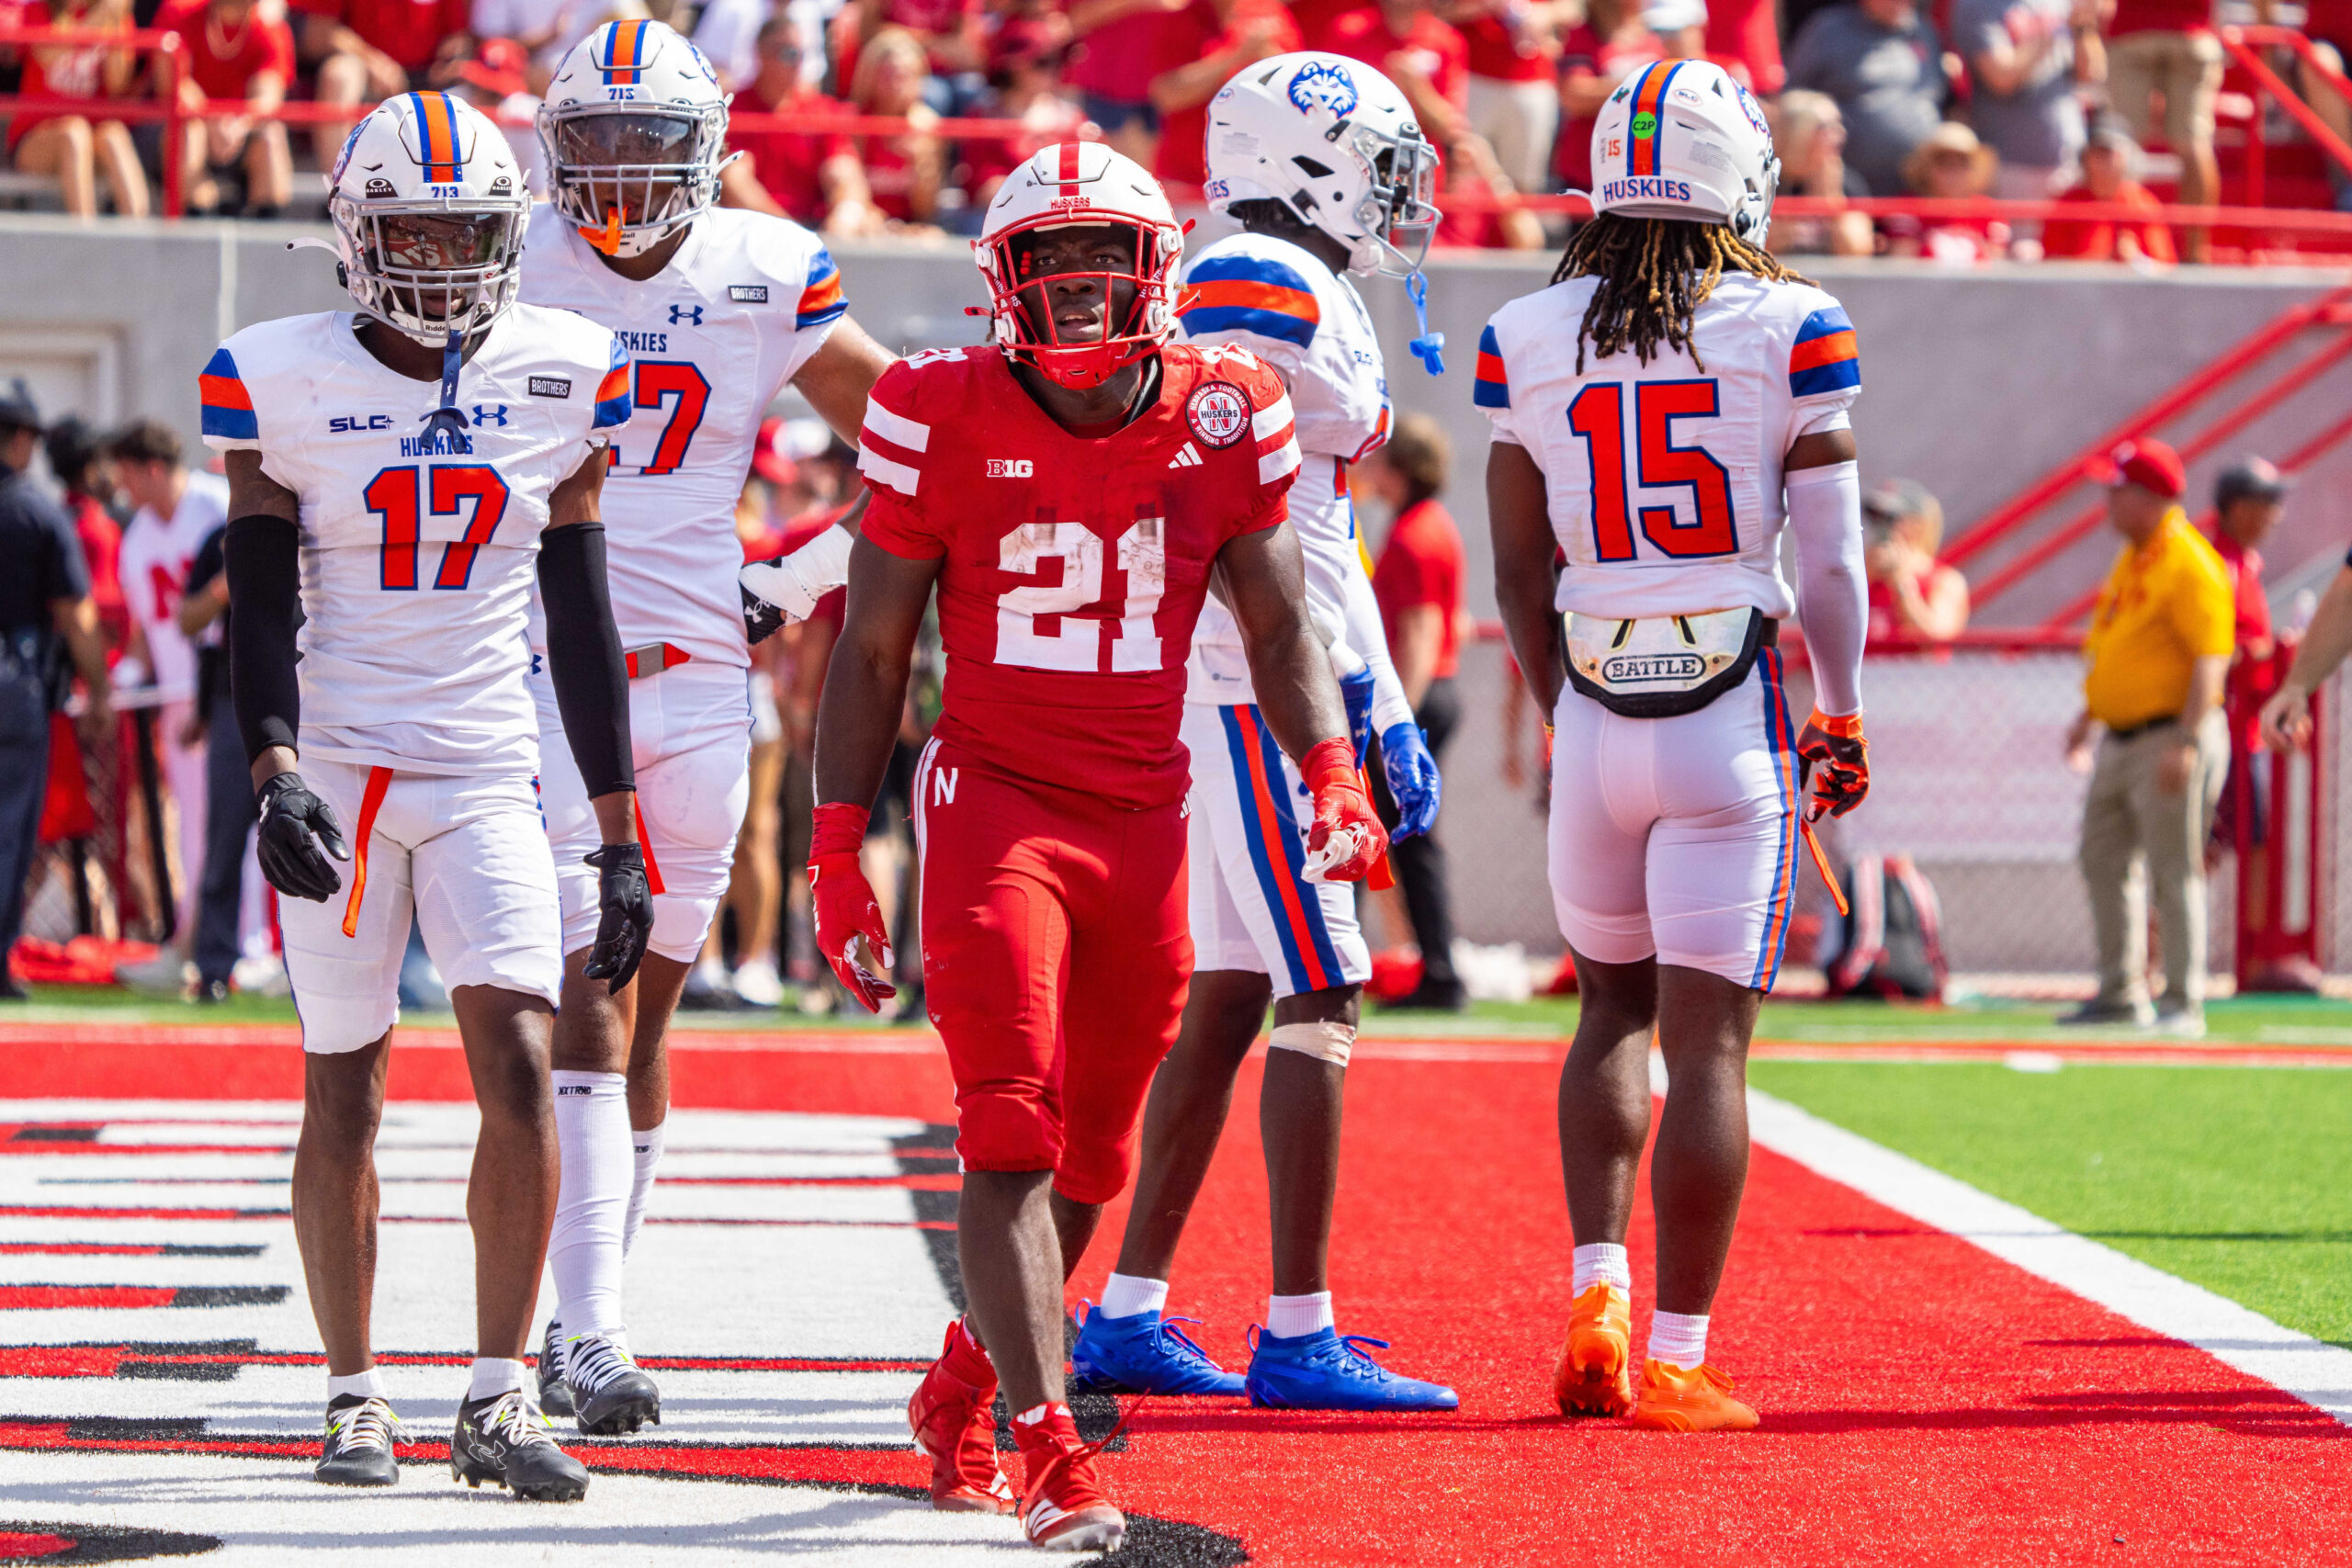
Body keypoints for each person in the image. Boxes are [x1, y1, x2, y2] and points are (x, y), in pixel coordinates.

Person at [812, 142, 1382, 1549]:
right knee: (1008, 1117)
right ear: (1004, 284)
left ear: (1158, 273)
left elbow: (1277, 616)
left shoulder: (1228, 404)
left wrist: (1329, 764)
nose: (1075, 298)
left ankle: (964, 1383)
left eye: (1100, 267)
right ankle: (1052, 1441)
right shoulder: (929, 404)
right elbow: (874, 643)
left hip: (1147, 810)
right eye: (1049, 270)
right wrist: (836, 847)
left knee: (1096, 1160)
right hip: (999, 798)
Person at [207, 89, 650, 1497]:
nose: (450, 256)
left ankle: (497, 1389)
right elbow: (258, 590)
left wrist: (621, 831)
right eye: (419, 228)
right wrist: (272, 766)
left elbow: (582, 610)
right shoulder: (275, 371)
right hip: (337, 763)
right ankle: (350, 1391)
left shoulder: (566, 364)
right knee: (347, 1087)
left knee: (520, 1060)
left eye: (472, 228)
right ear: (354, 233)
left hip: (481, 764)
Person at [518, 18, 896, 1433]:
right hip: (546, 674)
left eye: (645, 138)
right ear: (554, 149)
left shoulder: (765, 263)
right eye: (593, 139)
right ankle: (592, 1333)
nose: (617, 170)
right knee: (592, 986)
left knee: (652, 1006)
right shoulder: (506, 257)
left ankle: (584, 1309)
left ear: (707, 148)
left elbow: (917, 444)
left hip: (697, 681)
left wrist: (796, 575)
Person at [1483, 60, 1871, 1431]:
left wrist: (1560, 703)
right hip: (1735, 707)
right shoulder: (1791, 319)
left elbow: (1518, 569)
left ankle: (1594, 1284)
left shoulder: (1525, 330)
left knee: (1609, 1010)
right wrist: (1843, 705)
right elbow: (1830, 562)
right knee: (1710, 1048)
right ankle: (1679, 1352)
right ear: (1744, 176)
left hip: (1594, 703)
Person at [1066, 57, 1453, 1414]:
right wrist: (1354, 704)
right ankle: (1299, 1328)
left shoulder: (1283, 277)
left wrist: (1381, 695)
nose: (1401, 198)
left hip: (1257, 671)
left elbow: (1317, 532)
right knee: (1325, 981)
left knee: (1233, 989)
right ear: (1311, 158)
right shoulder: (1257, 278)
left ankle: (1126, 1308)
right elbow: (1253, 525)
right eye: (1384, 165)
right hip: (1249, 681)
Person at [2060, 437, 2231, 1035]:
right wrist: (2089, 714)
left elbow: (2212, 658)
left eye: (2117, 489)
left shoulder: (2188, 560)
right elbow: (2115, 645)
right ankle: (2120, 993)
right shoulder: (2138, 555)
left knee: (2173, 867)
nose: (2107, 501)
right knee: (2101, 856)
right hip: (2121, 737)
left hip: (2169, 735)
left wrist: (2186, 740)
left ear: (2147, 496)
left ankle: (2184, 1000)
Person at [1, 382, 112, 1000]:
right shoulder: (35, 511)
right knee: (10, 824)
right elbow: (77, 614)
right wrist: (97, 691)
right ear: (20, 440)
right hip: (15, 681)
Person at [111, 419, 230, 979]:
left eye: (128, 475)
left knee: (240, 822)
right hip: (180, 697)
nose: (122, 489)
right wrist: (129, 674)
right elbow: (146, 622)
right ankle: (199, 938)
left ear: (153, 467)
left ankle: (246, 946)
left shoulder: (215, 505)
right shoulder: (138, 536)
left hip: (229, 688)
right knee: (195, 826)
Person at [1364, 412, 1468, 1010]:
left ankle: (1440, 973)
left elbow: (1425, 632)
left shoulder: (1414, 534)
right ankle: (1435, 968)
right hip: (1429, 695)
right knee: (1406, 837)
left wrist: (1394, 719)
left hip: (1420, 698)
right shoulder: (1430, 525)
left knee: (1410, 837)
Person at [727, 18, 879, 233]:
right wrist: (790, 232)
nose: (796, 62)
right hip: (752, 233)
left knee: (865, 219)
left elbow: (844, 173)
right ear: (761, 53)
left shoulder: (822, 109)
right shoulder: (735, 111)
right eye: (788, 54)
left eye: (800, 54)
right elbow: (736, 182)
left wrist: (844, 218)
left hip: (814, 231)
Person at [1784, 0, 1950, 197]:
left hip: (1919, 193)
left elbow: (1940, 96)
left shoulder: (1924, 32)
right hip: (1845, 192)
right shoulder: (1829, 29)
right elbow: (1794, 99)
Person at [294, 0, 474, 171]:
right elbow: (318, 34)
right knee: (338, 74)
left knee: (473, 80)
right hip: (364, 69)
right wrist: (372, 62)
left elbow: (459, 35)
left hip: (428, 76)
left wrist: (451, 57)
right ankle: (339, 189)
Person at [9, 0, 148, 220]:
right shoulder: (39, 9)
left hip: (91, 137)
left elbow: (117, 85)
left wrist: (116, 28)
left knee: (114, 134)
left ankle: (142, 238)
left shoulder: (113, 15)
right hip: (36, 137)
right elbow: (46, 54)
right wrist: (97, 21)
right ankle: (86, 241)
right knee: (74, 132)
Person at [157, 0, 296, 217]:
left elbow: (269, 93)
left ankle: (266, 236)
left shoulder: (270, 26)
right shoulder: (179, 11)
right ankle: (196, 224)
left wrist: (240, 124)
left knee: (271, 134)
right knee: (189, 133)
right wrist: (211, 121)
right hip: (183, 127)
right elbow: (172, 84)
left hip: (237, 132)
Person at [2103, 0, 2218, 260]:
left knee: (2123, 144)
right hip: (2192, 34)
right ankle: (2195, 254)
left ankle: (2123, 246)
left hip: (2132, 33)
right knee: (2194, 145)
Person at [1147, 0, 1300, 196]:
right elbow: (1167, 96)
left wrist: (1266, 57)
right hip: (1190, 181)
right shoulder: (1179, 16)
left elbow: (1293, 89)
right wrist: (1237, 56)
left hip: (1261, 180)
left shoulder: (1269, 13)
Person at [1954, 0, 2099, 204]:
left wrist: (2082, 25)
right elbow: (2002, 78)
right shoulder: (1978, 5)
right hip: (2010, 167)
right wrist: (2053, 30)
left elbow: (2092, 73)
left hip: (2068, 162)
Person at [2041, 117, 2176, 265]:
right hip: (2080, 286)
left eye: (2110, 154)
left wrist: (2137, 261)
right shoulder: (2068, 203)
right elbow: (2050, 263)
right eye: (2097, 154)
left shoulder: (2143, 203)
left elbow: (2165, 268)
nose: (2103, 162)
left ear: (2128, 158)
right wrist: (2089, 263)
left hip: (2130, 286)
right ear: (2085, 158)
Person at [1767, 90, 1873, 257]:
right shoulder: (1766, 178)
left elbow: (1856, 251)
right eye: (1828, 126)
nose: (1841, 134)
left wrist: (1831, 199)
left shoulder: (1847, 183)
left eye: (1839, 124)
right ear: (1797, 130)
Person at [1884, 119, 2009, 263]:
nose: (1953, 171)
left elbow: (1995, 269)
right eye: (1943, 162)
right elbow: (1902, 265)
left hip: (1975, 285)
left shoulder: (1990, 211)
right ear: (1927, 168)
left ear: (1974, 170)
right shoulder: (1908, 208)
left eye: (1963, 163)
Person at [1862, 479, 1970, 641]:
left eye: (1891, 518)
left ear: (1918, 524)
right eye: (1875, 518)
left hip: (1911, 667)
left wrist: (1900, 581)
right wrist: (1860, 578)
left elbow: (1936, 636)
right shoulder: (1864, 574)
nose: (1881, 527)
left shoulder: (1944, 581)